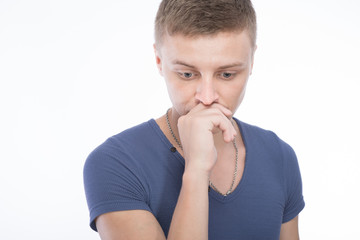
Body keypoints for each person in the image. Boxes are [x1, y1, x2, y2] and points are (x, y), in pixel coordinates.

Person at [83, 0, 305, 239]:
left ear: (251, 62)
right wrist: (197, 170)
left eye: (227, 74)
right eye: (187, 74)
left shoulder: (279, 156)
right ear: (159, 61)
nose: (207, 98)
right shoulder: (116, 163)